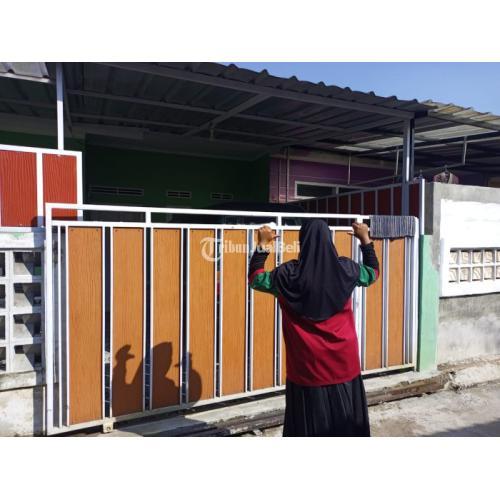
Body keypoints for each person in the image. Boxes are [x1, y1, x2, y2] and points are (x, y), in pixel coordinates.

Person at [248, 219, 379, 437]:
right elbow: (373, 272)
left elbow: (255, 278)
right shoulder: (346, 269)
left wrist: (262, 245)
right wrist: (365, 239)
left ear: (302, 242)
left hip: (306, 368)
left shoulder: (286, 275)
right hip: (344, 364)